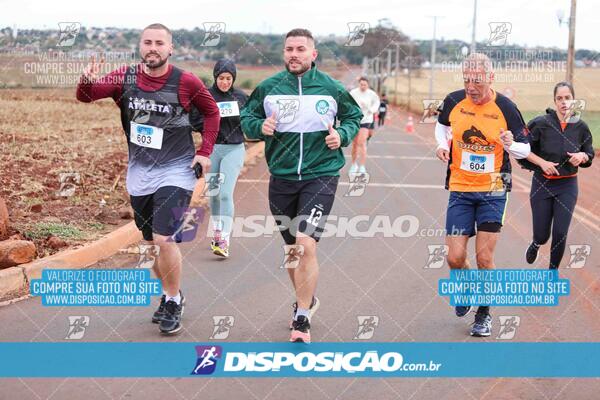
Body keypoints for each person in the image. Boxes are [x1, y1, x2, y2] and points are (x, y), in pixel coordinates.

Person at [76, 23, 220, 335]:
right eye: (147, 42)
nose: (152, 48)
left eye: (159, 43)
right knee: (151, 244)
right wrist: (86, 78)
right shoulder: (125, 78)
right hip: (140, 173)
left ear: (171, 49)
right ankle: (174, 293)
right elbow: (86, 96)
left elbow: (212, 113)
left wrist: (205, 151)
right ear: (141, 47)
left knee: (163, 237)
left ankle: (171, 300)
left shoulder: (186, 81)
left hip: (178, 171)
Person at [240, 28, 362, 343]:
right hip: (281, 176)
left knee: (306, 243)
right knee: (292, 251)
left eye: (300, 49)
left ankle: (303, 317)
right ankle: (305, 300)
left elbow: (353, 116)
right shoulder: (268, 87)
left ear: (313, 54)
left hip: (321, 174)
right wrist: (259, 126)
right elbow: (246, 119)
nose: (294, 54)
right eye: (289, 49)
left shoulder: (331, 88)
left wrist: (342, 135)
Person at [434, 53, 530, 337]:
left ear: (490, 78)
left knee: (485, 258)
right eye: (466, 80)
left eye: (476, 81)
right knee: (454, 256)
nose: (471, 87)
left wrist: (512, 144)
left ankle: (484, 314)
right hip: (461, 189)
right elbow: (441, 125)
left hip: (494, 190)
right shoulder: (453, 101)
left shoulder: (507, 108)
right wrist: (441, 145)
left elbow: (526, 148)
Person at [519, 82, 594, 269]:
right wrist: (540, 165)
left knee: (560, 232)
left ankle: (551, 274)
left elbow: (589, 153)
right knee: (542, 234)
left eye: (567, 98)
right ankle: (536, 243)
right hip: (542, 184)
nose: (563, 102)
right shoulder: (540, 123)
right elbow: (523, 150)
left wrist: (582, 156)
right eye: (559, 98)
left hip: (567, 186)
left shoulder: (581, 127)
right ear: (554, 101)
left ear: (573, 100)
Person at [190, 59, 248, 258]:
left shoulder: (241, 97)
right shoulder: (205, 95)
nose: (225, 82)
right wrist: (210, 124)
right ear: (216, 77)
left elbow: (250, 119)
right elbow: (194, 119)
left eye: (228, 78)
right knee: (213, 193)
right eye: (221, 78)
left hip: (234, 149)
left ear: (234, 79)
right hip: (212, 149)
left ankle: (224, 238)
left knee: (224, 194)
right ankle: (217, 232)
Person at [349, 77, 379, 174]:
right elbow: (347, 103)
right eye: (361, 84)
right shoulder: (353, 93)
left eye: (365, 85)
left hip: (366, 120)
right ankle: (353, 164)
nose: (363, 86)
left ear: (368, 85)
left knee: (362, 143)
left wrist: (371, 109)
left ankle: (362, 166)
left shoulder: (372, 94)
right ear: (359, 84)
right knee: (354, 144)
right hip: (355, 120)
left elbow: (377, 103)